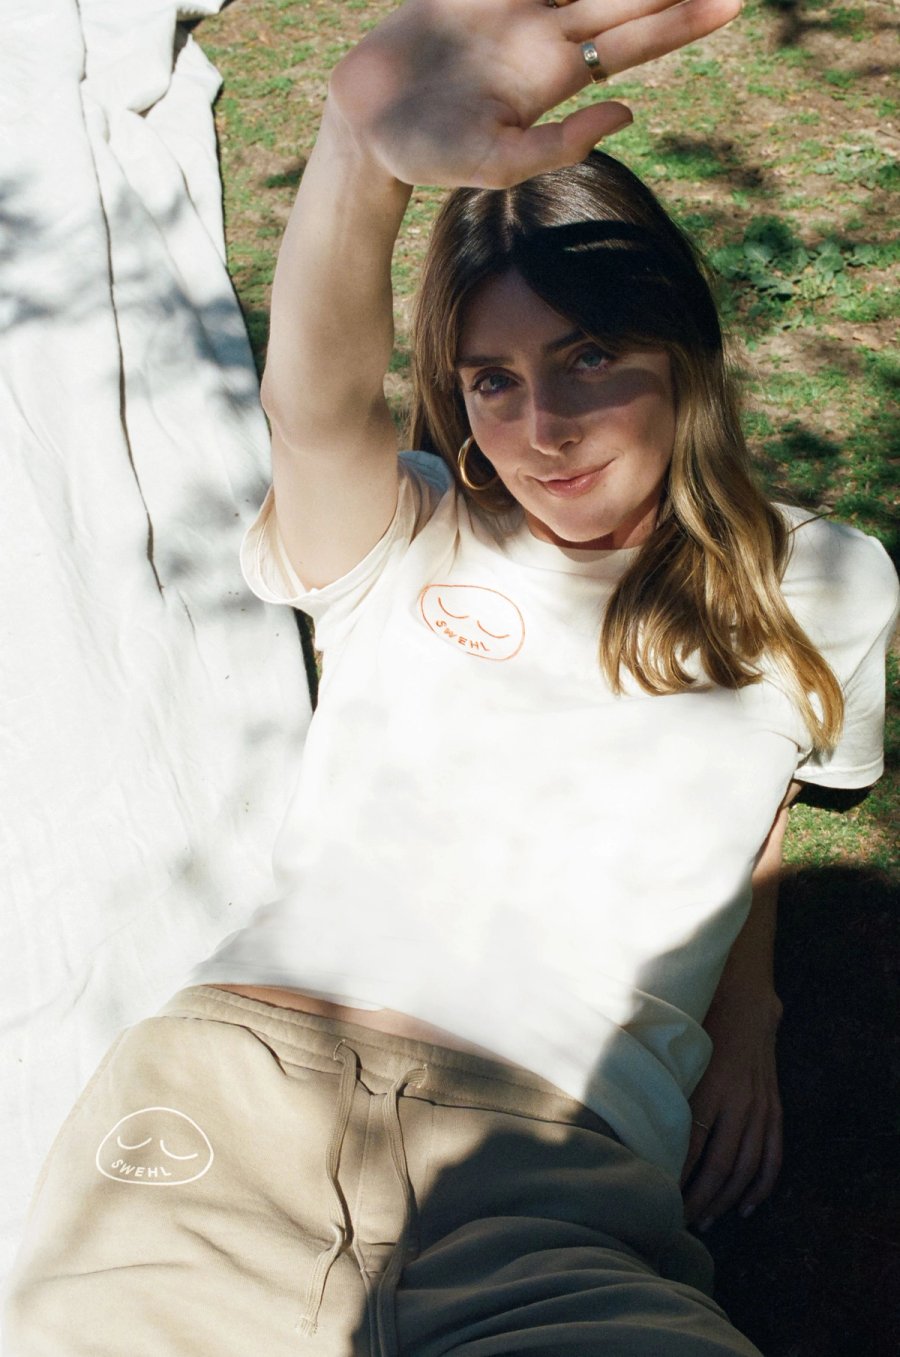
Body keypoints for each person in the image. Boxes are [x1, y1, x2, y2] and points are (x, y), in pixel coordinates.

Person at [5, 1, 898, 1354]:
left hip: (548, 1178)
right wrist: (357, 152)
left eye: (590, 357)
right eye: (494, 379)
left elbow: (766, 780)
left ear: (683, 352)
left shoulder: (830, 582)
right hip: (230, 1117)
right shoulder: (407, 530)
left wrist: (749, 1011)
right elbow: (310, 410)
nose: (543, 430)